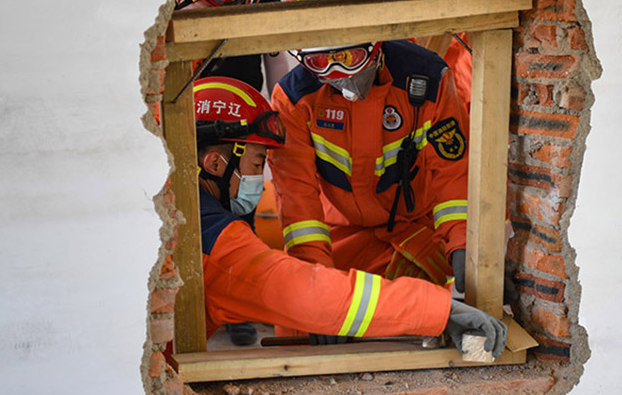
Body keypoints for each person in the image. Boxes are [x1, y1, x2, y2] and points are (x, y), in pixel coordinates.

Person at [193, 76, 506, 355]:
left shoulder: (184, 215)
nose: (260, 186)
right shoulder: (216, 248)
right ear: (216, 165)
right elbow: (308, 293)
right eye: (257, 164)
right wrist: (440, 311)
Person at [268, 38, 473, 293]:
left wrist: (463, 244)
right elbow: (297, 203)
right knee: (298, 321)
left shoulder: (429, 79)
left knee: (414, 311)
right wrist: (315, 283)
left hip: (416, 229)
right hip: (337, 235)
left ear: (374, 46)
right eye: (321, 62)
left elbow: (453, 175)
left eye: (349, 58)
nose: (340, 73)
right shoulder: (294, 100)